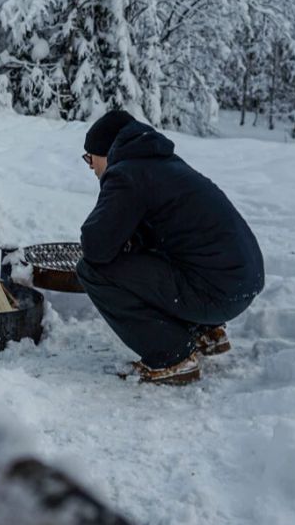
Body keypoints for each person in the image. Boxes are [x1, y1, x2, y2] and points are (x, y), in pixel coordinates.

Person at [76, 110, 264, 384]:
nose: (91, 167)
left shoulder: (127, 174)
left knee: (93, 270)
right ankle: (204, 331)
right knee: (148, 255)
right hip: (239, 284)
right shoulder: (162, 164)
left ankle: (171, 356)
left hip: (215, 292)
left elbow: (95, 246)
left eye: (89, 158)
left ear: (105, 152)